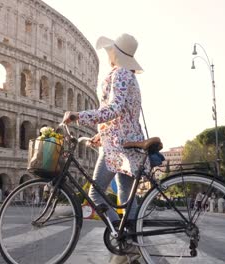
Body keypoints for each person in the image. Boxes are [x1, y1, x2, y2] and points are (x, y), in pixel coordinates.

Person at [63, 33, 147, 263]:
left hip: (117, 145)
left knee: (95, 194)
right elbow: (124, 116)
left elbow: (114, 109)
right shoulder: (130, 77)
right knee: (125, 196)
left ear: (115, 54)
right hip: (128, 142)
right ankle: (130, 244)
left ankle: (123, 237)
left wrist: (80, 116)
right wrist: (101, 133)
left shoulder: (120, 74)